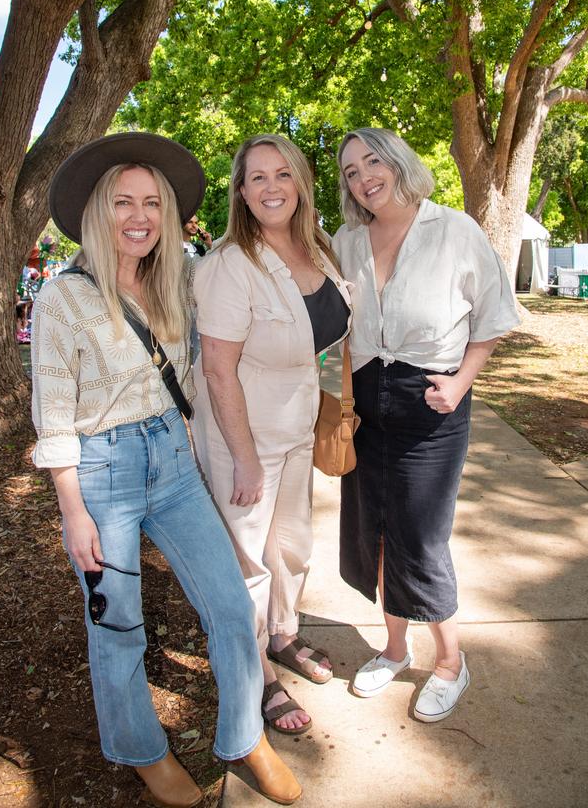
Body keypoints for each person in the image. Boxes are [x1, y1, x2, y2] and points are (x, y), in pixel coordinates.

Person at [31, 132, 301, 807]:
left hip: (173, 464)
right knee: (118, 626)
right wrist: (73, 512)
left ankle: (243, 737)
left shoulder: (176, 274)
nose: (139, 216)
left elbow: (213, 350)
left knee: (233, 606)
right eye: (123, 201)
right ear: (99, 210)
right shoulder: (62, 298)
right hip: (102, 472)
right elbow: (53, 418)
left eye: (152, 202)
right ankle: (140, 750)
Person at [333, 127, 520, 724]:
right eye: (351, 171)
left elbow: (493, 312)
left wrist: (463, 380)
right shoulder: (346, 240)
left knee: (421, 535)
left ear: (397, 162)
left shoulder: (454, 230)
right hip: (366, 400)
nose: (364, 177)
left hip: (432, 400)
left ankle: (449, 663)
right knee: (375, 530)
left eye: (372, 162)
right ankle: (393, 647)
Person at [191, 134, 352, 736]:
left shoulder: (322, 249)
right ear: (241, 192)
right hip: (243, 433)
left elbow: (327, 338)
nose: (272, 187)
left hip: (297, 424)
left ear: (302, 183)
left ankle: (284, 636)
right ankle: (256, 670)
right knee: (250, 560)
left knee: (293, 543)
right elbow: (216, 368)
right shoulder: (230, 265)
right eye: (257, 177)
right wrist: (244, 460)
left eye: (283, 174)